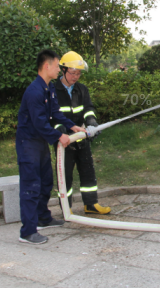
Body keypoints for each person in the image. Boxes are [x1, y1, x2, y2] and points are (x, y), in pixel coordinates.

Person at [15, 49, 85, 245]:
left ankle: (43, 218)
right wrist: (59, 136)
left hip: (40, 143)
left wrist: (72, 126)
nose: (58, 69)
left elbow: (55, 113)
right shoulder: (34, 91)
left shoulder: (49, 88)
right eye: (56, 65)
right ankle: (27, 232)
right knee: (31, 186)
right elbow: (39, 123)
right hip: (28, 143)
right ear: (47, 66)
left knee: (46, 181)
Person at [52, 51, 111, 215]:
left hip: (81, 137)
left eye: (78, 73)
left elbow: (88, 109)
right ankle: (66, 207)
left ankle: (91, 204)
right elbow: (51, 116)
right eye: (72, 73)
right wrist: (60, 131)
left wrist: (91, 122)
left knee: (87, 171)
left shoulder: (81, 89)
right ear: (63, 70)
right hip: (63, 140)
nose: (76, 76)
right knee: (65, 175)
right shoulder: (53, 90)